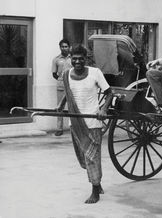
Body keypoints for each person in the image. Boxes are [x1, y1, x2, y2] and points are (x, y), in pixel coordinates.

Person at [57, 44, 113, 204]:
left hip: (93, 122)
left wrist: (103, 109)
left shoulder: (95, 73)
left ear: (86, 59)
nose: (77, 62)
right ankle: (98, 183)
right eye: (74, 59)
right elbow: (68, 94)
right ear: (71, 59)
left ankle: (95, 190)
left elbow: (109, 93)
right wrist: (60, 106)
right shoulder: (67, 74)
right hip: (74, 123)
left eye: (81, 59)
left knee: (92, 158)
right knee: (83, 157)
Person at [51, 39, 72, 136]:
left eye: (66, 46)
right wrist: (61, 79)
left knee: (73, 107)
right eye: (62, 46)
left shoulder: (73, 58)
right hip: (61, 86)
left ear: (69, 47)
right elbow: (54, 74)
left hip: (72, 85)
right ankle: (59, 129)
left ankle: (75, 128)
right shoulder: (56, 59)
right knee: (60, 107)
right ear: (60, 47)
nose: (64, 48)